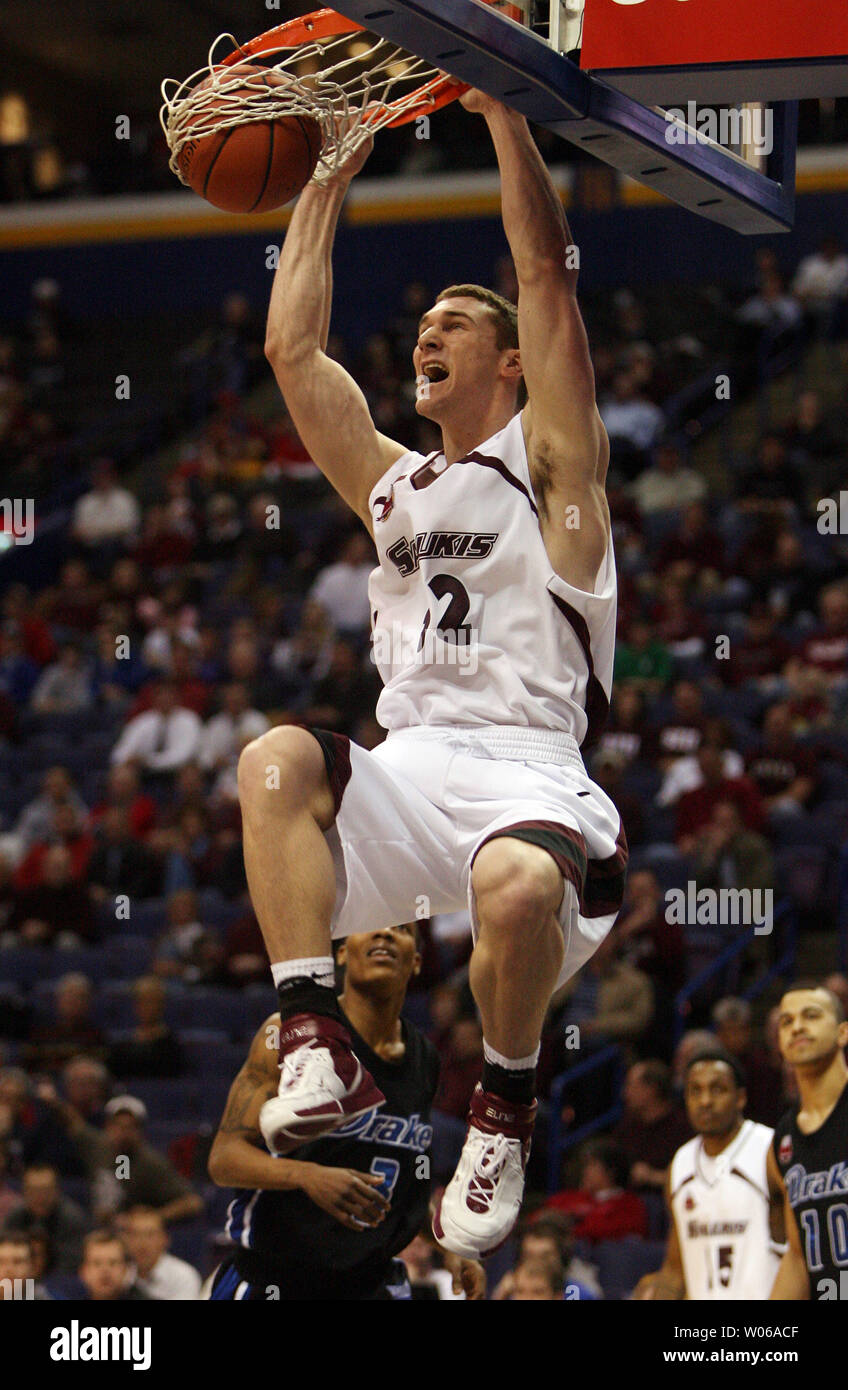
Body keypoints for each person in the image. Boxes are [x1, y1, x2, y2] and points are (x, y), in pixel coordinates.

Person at [237, 86, 626, 1262]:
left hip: (524, 770)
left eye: (456, 324)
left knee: (512, 888)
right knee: (270, 764)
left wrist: (507, 110)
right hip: (408, 774)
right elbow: (290, 350)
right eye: (425, 323)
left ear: (510, 366)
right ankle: (313, 1034)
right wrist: (326, 172)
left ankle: (501, 1106)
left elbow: (547, 276)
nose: (428, 333)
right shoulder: (395, 486)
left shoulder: (555, 472)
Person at [207, 922, 483, 1301]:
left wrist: (448, 1245)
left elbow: (403, 1190)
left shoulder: (426, 1059)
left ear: (416, 961)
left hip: (369, 1281)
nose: (384, 934)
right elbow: (224, 1158)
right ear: (340, 953)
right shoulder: (290, 1034)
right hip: (275, 1277)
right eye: (370, 926)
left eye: (401, 929)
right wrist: (307, 1176)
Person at [634, 1047, 783, 1300]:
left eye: (718, 1089)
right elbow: (675, 1266)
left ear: (741, 1098)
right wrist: (658, 1290)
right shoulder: (679, 1165)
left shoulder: (770, 1149)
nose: (705, 1101)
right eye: (696, 1091)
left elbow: (800, 1253)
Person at [768, 983, 848, 1299]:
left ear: (843, 1033)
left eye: (811, 1016)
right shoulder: (783, 1140)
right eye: (786, 1022)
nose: (797, 1026)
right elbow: (798, 1256)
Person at [121, 1205, 202, 1301]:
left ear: (164, 1239)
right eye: (135, 1234)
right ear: (125, 1240)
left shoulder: (183, 1276)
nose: (142, 1243)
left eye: (150, 1235)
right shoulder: (120, 1275)